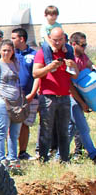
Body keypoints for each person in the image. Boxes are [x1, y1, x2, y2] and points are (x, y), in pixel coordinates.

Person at [33, 25, 74, 163]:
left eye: (60, 39)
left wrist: (72, 66)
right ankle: (43, 159)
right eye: (55, 40)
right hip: (48, 96)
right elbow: (35, 73)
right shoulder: (43, 53)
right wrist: (49, 67)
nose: (57, 42)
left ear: (64, 39)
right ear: (49, 38)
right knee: (46, 129)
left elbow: (75, 75)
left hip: (64, 96)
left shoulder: (68, 52)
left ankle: (64, 159)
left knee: (64, 131)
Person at [0, 40, 24, 168]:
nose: (6, 53)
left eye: (9, 50)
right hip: (2, 101)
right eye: (4, 50)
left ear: (13, 51)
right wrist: (3, 94)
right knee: (2, 130)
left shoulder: (15, 63)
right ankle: (1, 159)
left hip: (16, 102)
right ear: (0, 51)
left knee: (14, 133)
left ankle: (13, 158)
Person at [11, 27, 38, 160]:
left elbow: (38, 76)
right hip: (13, 96)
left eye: (14, 38)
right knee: (12, 124)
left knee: (25, 124)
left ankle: (22, 152)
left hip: (29, 96)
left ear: (22, 39)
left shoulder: (34, 54)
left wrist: (32, 93)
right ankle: (11, 153)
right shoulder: (10, 54)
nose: (11, 40)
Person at [68, 32, 96, 161]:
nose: (85, 47)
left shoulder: (83, 56)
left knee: (71, 128)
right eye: (82, 45)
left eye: (85, 44)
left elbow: (90, 65)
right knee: (83, 128)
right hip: (71, 98)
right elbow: (70, 86)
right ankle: (93, 154)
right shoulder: (70, 60)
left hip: (80, 96)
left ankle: (59, 155)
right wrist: (83, 103)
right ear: (74, 44)